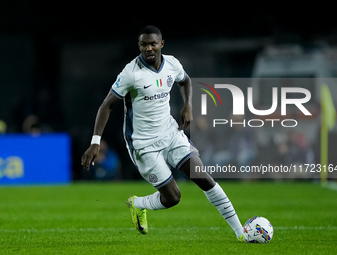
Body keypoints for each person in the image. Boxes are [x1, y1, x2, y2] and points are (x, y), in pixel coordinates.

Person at [81, 26, 245, 241]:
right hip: (143, 144)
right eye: (143, 44)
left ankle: (241, 233)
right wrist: (95, 142)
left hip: (171, 134)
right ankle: (138, 204)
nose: (148, 48)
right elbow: (106, 106)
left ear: (161, 44)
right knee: (173, 198)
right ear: (139, 46)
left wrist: (188, 105)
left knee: (205, 179)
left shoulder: (172, 64)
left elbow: (185, 81)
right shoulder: (131, 73)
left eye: (152, 43)